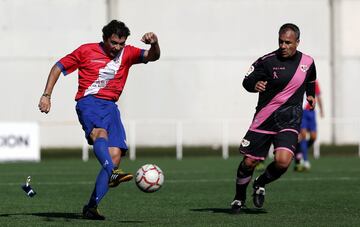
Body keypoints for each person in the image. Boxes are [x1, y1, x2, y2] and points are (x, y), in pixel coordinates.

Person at [38, 20, 160, 220]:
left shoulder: (127, 53)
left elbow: (153, 56)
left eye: (121, 43)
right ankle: (113, 172)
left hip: (111, 107)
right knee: (99, 134)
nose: (117, 48)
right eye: (113, 43)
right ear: (104, 39)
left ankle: (91, 207)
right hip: (89, 102)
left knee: (115, 155)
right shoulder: (86, 51)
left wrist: (154, 43)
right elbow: (58, 67)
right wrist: (47, 95)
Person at [230, 23, 316, 213]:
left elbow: (311, 79)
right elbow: (247, 81)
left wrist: (310, 94)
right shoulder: (267, 61)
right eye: (280, 42)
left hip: (290, 120)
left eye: (288, 42)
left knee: (283, 161)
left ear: (297, 42)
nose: (283, 46)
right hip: (265, 117)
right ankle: (239, 197)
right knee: (249, 162)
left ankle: (260, 182)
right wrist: (255, 85)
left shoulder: (308, 62)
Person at [294, 80, 324, 171]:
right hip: (301, 111)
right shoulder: (299, 79)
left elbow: (318, 96)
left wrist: (322, 109)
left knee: (314, 137)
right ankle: (305, 160)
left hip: (311, 112)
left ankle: (298, 153)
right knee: (303, 135)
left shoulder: (314, 82)